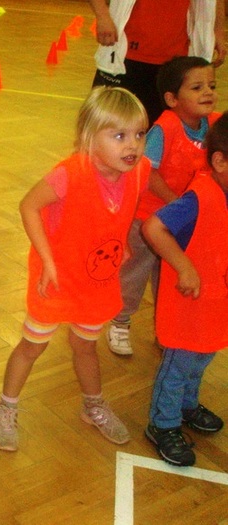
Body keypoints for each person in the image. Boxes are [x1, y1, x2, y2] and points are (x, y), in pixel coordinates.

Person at [0, 87, 151, 452]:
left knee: (85, 344)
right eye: (119, 135)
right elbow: (28, 206)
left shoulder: (139, 171)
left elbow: (125, 206)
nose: (133, 145)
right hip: (56, 280)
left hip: (97, 280)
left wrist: (122, 238)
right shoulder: (69, 173)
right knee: (32, 346)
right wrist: (47, 260)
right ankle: (6, 406)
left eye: (140, 134)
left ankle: (93, 405)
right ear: (89, 137)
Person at [107, 56, 220, 355]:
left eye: (211, 86)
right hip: (147, 218)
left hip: (180, 222)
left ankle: (165, 328)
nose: (207, 92)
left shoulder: (214, 125)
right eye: (197, 87)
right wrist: (174, 201)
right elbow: (147, 170)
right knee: (135, 273)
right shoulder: (165, 128)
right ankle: (120, 320)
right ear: (172, 99)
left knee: (170, 276)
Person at [141, 112, 228, 467]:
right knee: (179, 364)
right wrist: (184, 266)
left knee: (203, 356)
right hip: (189, 301)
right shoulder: (199, 198)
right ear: (220, 162)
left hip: (216, 300)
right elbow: (153, 228)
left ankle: (187, 405)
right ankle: (162, 424)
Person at [88, 0, 226, 125]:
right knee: (107, 126)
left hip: (177, 62)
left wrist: (218, 31)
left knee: (165, 134)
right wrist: (103, 16)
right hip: (125, 57)